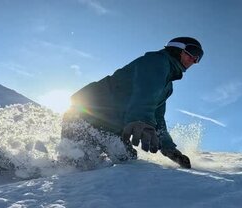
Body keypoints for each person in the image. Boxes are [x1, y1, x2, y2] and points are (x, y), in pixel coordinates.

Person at [60, 37, 203, 170]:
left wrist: (169, 148)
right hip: (85, 117)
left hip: (110, 129)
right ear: (177, 49)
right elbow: (144, 91)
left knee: (128, 161)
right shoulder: (157, 61)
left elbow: (158, 117)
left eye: (198, 58)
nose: (194, 60)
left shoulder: (167, 85)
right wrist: (140, 119)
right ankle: (46, 174)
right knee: (76, 166)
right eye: (192, 52)